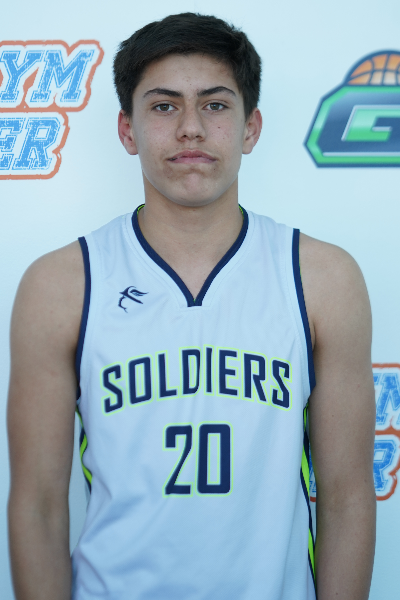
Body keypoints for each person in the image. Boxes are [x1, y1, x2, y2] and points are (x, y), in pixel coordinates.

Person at [7, 12, 376, 600]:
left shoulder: (323, 278)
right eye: (163, 106)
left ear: (251, 127)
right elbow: (39, 505)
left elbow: (349, 497)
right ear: (127, 130)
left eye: (215, 105)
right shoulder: (60, 285)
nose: (190, 129)